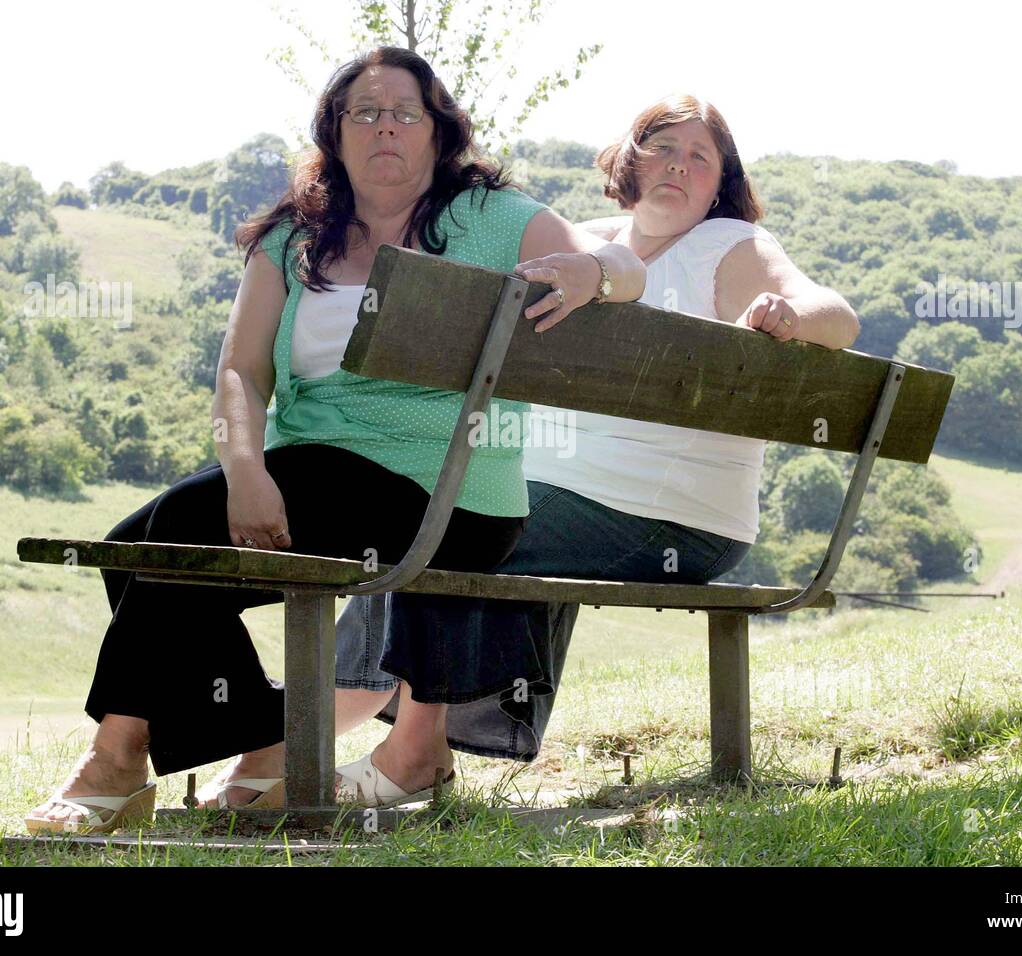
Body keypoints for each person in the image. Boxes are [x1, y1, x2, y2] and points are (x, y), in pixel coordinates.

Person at [23, 45, 645, 833]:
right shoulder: (292, 237)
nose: (386, 127)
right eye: (365, 112)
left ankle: (114, 766)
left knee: (175, 534)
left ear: (436, 132)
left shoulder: (496, 220)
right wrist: (244, 468)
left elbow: (623, 266)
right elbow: (240, 374)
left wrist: (600, 274)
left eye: (405, 113)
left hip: (448, 492)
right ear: (336, 131)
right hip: (311, 476)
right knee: (132, 545)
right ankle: (274, 738)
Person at [327, 94, 862, 804]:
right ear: (630, 161)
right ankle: (286, 750)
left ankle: (400, 755)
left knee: (460, 527)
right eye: (663, 147)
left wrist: (789, 316)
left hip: (673, 514)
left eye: (700, 156)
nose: (679, 165)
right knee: (428, 518)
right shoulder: (585, 242)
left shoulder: (732, 245)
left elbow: (840, 317)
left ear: (720, 180)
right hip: (561, 494)